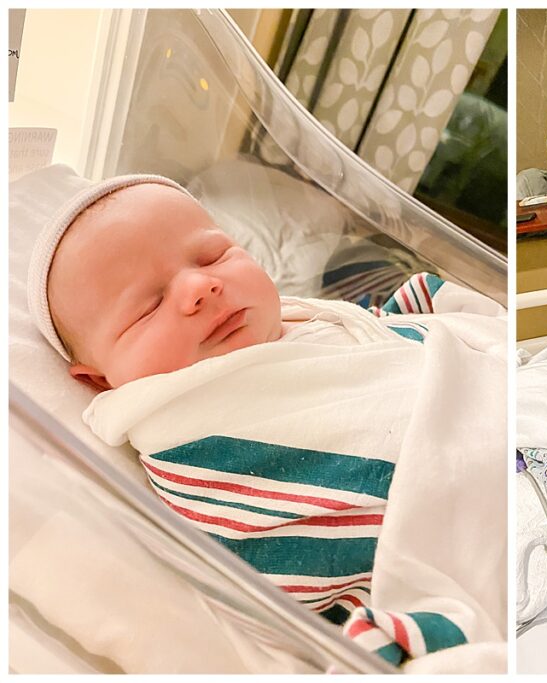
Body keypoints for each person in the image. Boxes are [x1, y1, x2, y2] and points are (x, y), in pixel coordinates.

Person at [27, 175, 507, 664]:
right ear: (100, 380)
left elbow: (351, 334)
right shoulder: (189, 432)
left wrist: (409, 317)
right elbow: (286, 554)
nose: (201, 286)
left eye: (213, 255)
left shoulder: (282, 322)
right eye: (147, 308)